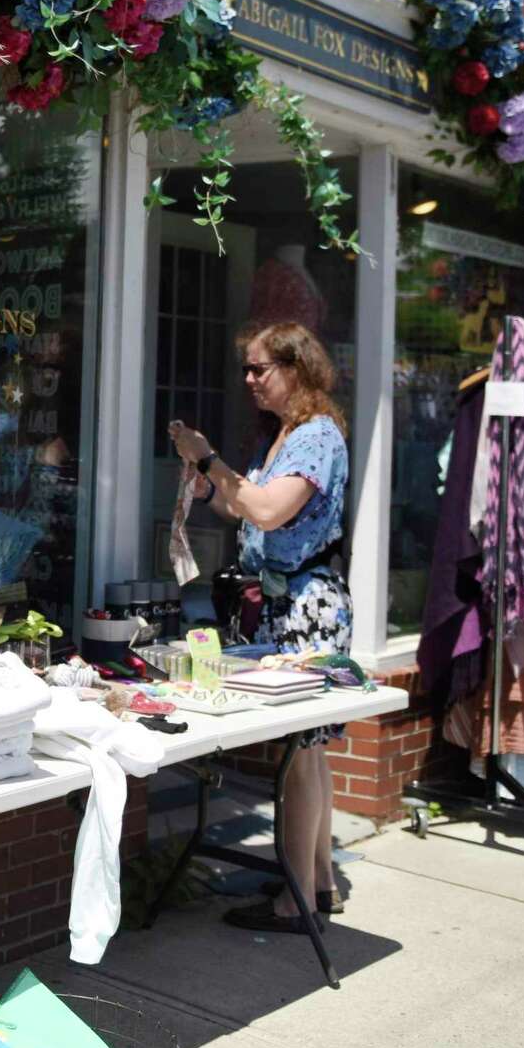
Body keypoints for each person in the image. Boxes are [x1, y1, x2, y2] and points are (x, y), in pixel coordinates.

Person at [169, 320, 351, 935]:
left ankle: (293, 900)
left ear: (295, 369)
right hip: (285, 603)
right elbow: (239, 503)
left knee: (300, 756)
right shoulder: (284, 436)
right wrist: (206, 476)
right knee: (309, 753)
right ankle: (318, 884)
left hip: (307, 606)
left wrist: (210, 459)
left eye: (259, 368)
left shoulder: (316, 437)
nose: (248, 379)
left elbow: (269, 511)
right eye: (245, 368)